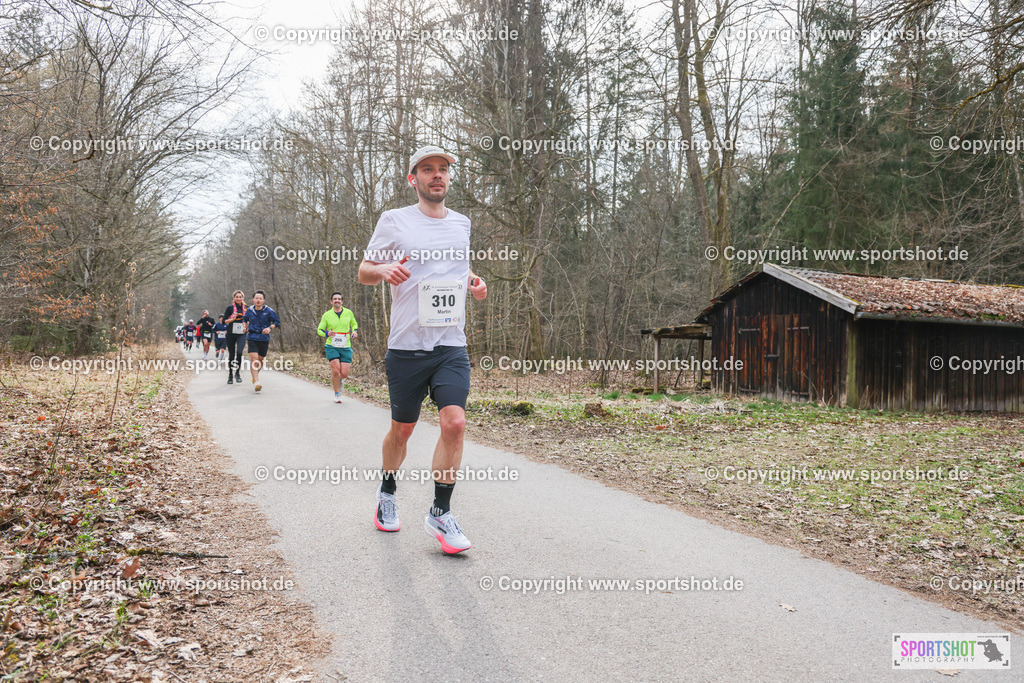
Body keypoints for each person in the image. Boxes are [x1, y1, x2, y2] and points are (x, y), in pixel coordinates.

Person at [358, 145, 487, 554]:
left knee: (455, 423)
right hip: (407, 347)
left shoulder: (462, 223)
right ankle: (387, 492)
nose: (437, 176)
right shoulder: (394, 220)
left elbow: (453, 267)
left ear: (450, 177)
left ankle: (440, 512)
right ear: (413, 179)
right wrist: (382, 270)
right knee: (403, 429)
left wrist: (474, 282)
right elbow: (364, 272)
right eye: (427, 169)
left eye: (443, 169)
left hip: (450, 344)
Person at [316, 292, 359, 403]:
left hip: (345, 345)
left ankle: (338, 380)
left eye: (339, 299)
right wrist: (327, 334)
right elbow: (319, 330)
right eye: (335, 299)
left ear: (342, 301)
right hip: (332, 345)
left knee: (344, 374)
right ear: (331, 301)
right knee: (335, 371)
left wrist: (354, 331)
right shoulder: (327, 315)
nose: (337, 301)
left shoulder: (348, 313)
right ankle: (337, 394)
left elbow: (354, 324)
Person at [243, 290, 281, 393]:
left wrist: (269, 328)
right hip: (252, 337)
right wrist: (244, 326)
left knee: (260, 360)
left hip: (264, 338)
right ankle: (256, 382)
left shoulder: (269, 311)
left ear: (263, 300)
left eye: (260, 298)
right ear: (253, 300)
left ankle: (254, 377)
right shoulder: (250, 310)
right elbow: (244, 319)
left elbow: (277, 322)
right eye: (256, 298)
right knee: (254, 359)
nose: (258, 300)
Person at [223, 290, 247, 384]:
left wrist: (247, 327)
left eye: (240, 297)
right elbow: (223, 321)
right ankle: (230, 375)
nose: (238, 298)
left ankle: (237, 373)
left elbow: (249, 320)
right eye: (237, 297)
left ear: (242, 298)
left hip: (242, 333)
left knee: (240, 352)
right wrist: (232, 319)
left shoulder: (246, 308)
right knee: (232, 354)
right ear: (234, 298)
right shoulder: (230, 308)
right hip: (231, 333)